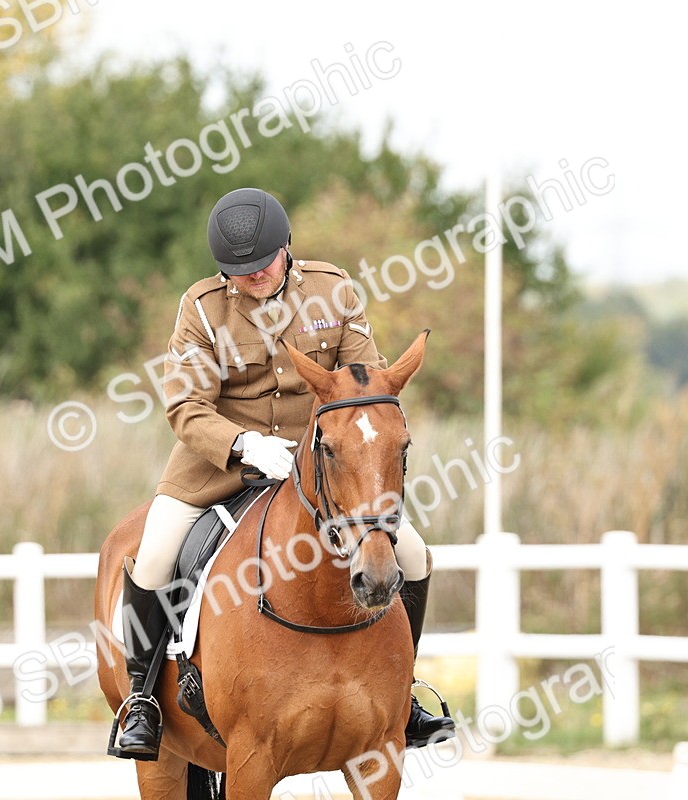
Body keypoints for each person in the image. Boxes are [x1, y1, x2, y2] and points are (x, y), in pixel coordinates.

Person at [114, 187, 455, 759]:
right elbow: (185, 407)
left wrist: (322, 446)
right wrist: (244, 443)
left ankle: (405, 694)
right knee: (152, 558)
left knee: (414, 555)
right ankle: (143, 700)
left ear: (287, 247)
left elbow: (363, 383)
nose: (253, 278)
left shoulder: (333, 290)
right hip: (218, 463)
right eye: (239, 272)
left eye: (263, 264)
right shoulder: (202, 308)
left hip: (323, 464)